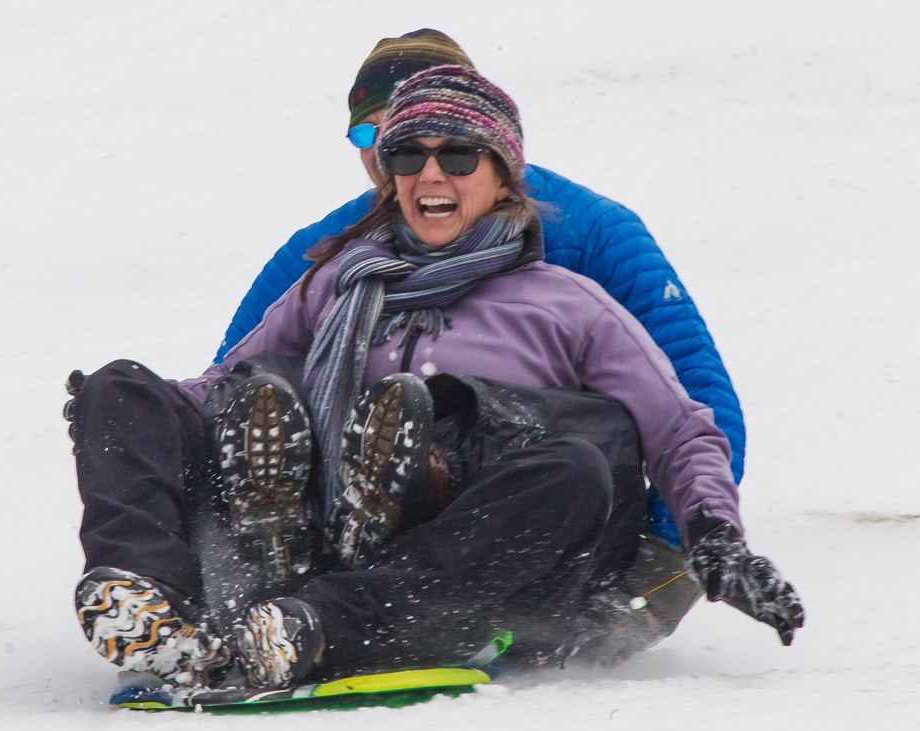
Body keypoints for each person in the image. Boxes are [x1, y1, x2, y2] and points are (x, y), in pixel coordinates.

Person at [68, 65, 802, 691]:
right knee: (128, 384)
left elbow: (677, 425)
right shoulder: (336, 282)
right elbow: (222, 387)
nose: (431, 174)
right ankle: (148, 604)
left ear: (502, 174)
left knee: (573, 463)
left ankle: (315, 620)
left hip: (481, 555)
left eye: (458, 156)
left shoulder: (564, 301)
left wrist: (712, 536)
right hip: (334, 521)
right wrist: (126, 412)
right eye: (409, 156)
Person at [214, 30, 746, 548]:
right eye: (371, 137)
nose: (392, 158)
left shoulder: (591, 232)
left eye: (450, 148)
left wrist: (668, 545)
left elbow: (690, 393)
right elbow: (236, 391)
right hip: (367, 529)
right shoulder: (329, 253)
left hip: (538, 520)